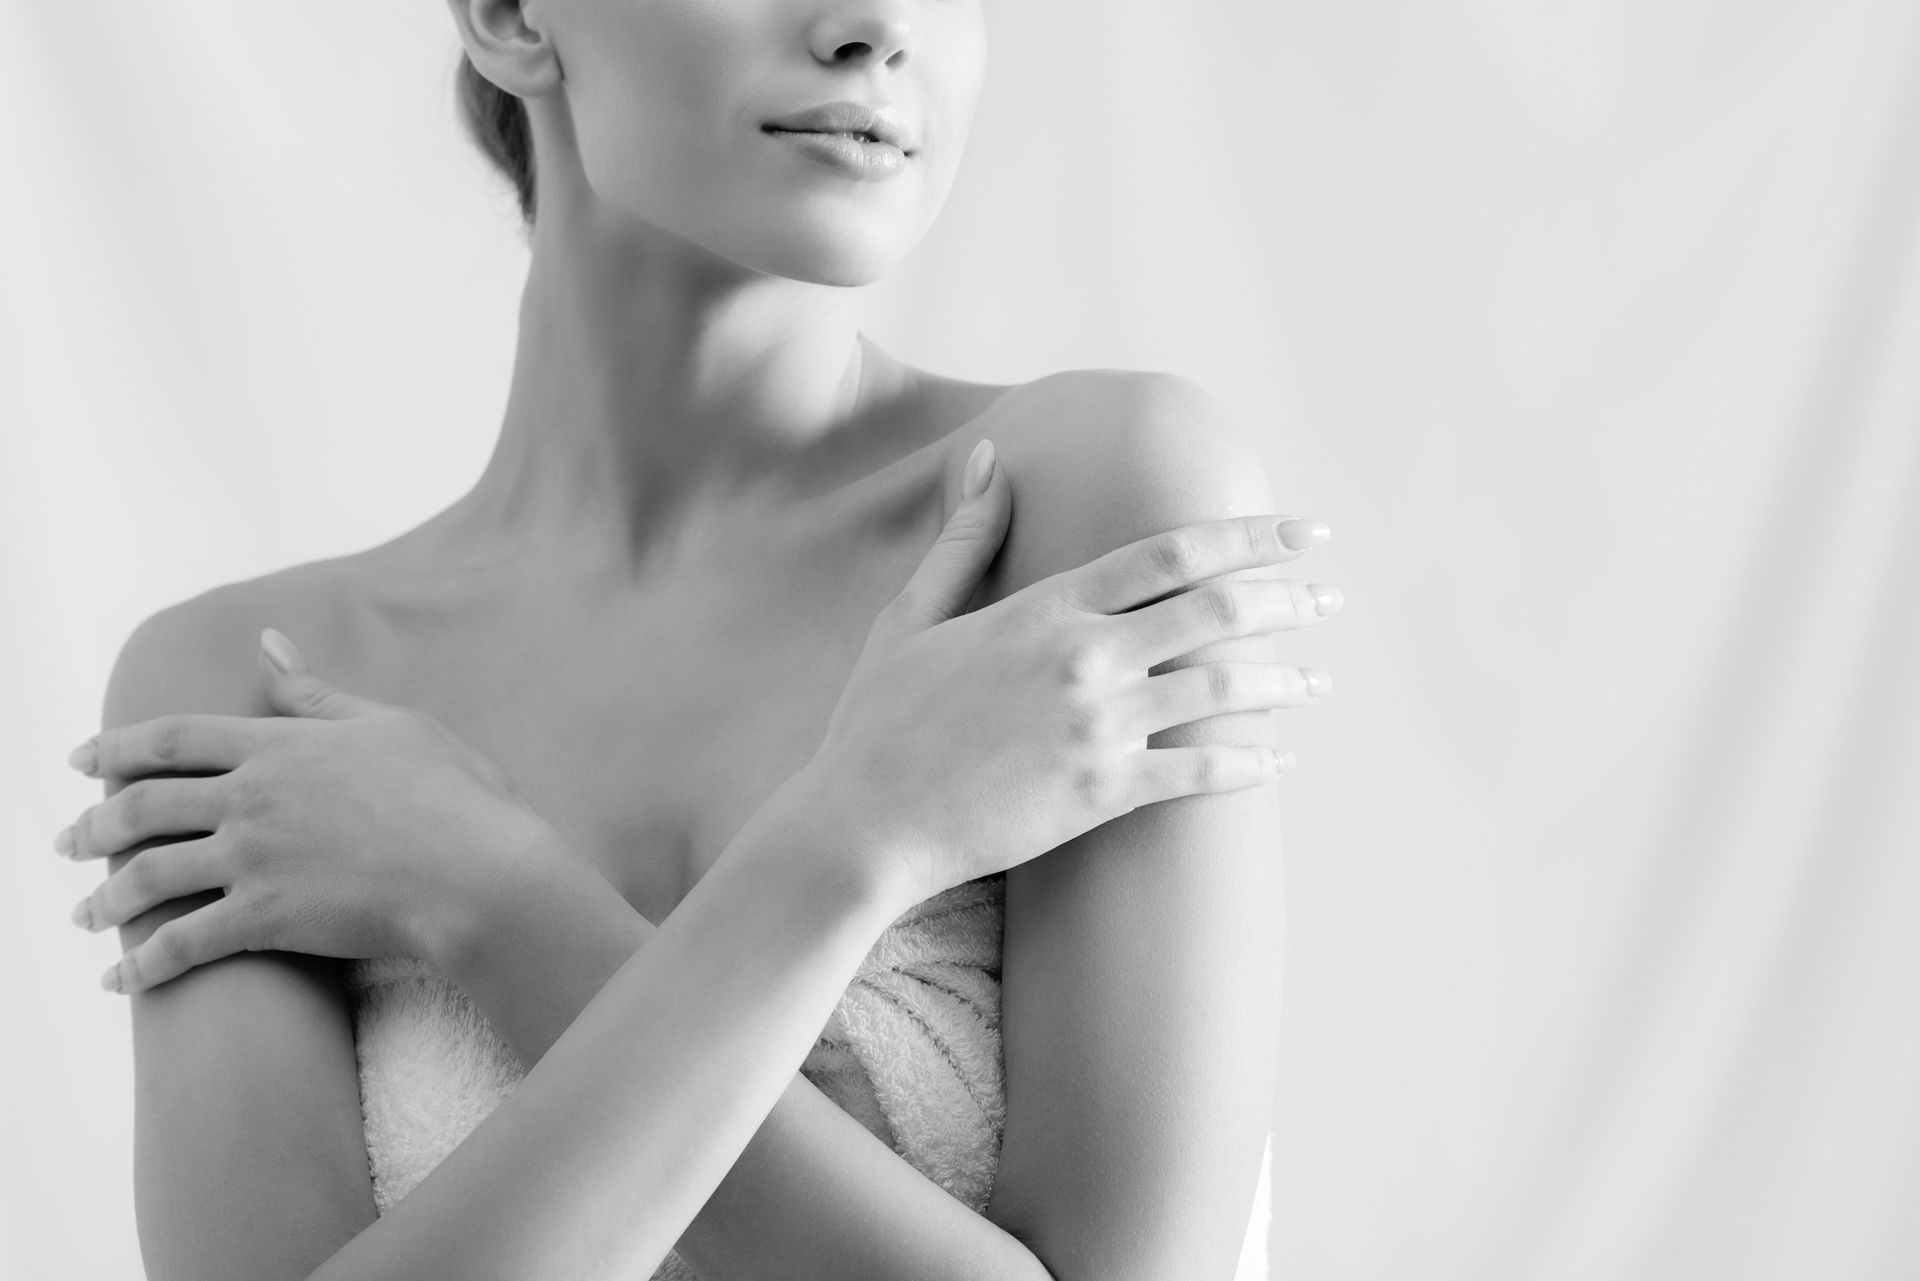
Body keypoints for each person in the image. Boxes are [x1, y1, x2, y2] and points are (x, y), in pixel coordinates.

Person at [59, 1, 1341, 1277]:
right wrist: (852, 838)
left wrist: (500, 900)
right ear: (509, 18)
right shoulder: (243, 682)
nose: (880, 27)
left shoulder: (1088, 510)